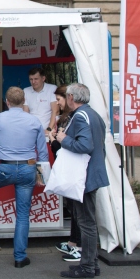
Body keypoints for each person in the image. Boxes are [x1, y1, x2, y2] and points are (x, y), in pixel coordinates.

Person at [0, 87, 47, 268]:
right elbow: (43, 152)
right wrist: (43, 175)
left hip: (5, 168)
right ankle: (20, 257)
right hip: (28, 168)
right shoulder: (34, 121)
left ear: (7, 102)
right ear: (24, 102)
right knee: (23, 215)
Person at [55, 83, 108, 279]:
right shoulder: (93, 114)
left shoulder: (80, 116)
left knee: (85, 222)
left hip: (83, 176)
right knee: (88, 221)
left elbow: (85, 145)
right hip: (91, 173)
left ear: (70, 98)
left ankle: (87, 266)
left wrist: (63, 139)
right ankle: (91, 263)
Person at [49, 85, 81, 262]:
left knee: (77, 210)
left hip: (72, 170)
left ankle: (78, 245)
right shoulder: (65, 118)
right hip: (67, 169)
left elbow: (63, 147)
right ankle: (72, 242)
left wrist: (54, 140)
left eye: (59, 100)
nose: (57, 103)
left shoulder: (74, 119)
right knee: (72, 207)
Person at [23, 67, 59, 132]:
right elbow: (25, 113)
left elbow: (55, 111)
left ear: (43, 78)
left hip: (48, 130)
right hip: (31, 130)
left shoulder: (52, 89)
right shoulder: (26, 91)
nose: (33, 82)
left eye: (36, 79)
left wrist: (49, 129)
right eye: (31, 79)